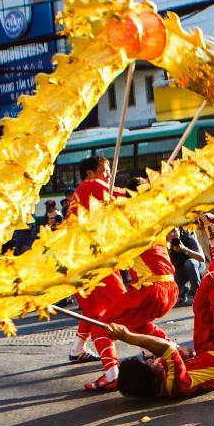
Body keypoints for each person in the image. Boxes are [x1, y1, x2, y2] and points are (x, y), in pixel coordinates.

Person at [110, 216, 214, 398]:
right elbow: (166, 348)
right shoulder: (175, 383)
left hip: (207, 349)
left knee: (200, 301)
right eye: (150, 365)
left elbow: (179, 351)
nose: (154, 361)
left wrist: (183, 353)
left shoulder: (162, 376)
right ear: (152, 380)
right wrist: (129, 337)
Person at [85, 219, 181, 391]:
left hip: (151, 290)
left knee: (102, 329)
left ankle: (112, 376)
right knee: (139, 325)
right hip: (171, 289)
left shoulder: (133, 230)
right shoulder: (156, 225)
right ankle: (176, 353)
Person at [66, 155, 128, 364]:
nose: (109, 174)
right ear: (90, 174)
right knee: (125, 303)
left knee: (93, 308)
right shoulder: (92, 185)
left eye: (109, 170)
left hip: (83, 259)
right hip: (92, 260)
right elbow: (124, 198)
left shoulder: (84, 193)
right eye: (105, 170)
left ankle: (78, 348)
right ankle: (149, 349)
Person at [167, 227, 206, 304]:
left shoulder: (188, 239)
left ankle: (198, 294)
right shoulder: (165, 244)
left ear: (179, 230)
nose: (172, 234)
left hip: (196, 265)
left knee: (189, 263)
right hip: (179, 270)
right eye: (169, 232)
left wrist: (184, 249)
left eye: (174, 231)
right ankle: (183, 291)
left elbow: (202, 258)